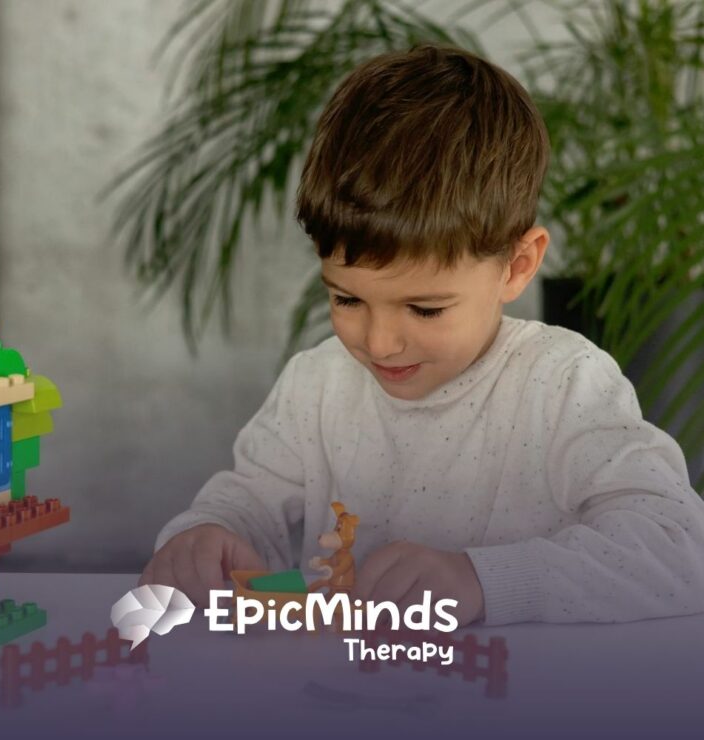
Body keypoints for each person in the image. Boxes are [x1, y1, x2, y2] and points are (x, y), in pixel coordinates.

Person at [139, 44, 704, 626]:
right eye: (346, 299)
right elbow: (245, 505)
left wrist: (484, 579)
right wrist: (204, 535)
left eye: (426, 309)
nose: (379, 344)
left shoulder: (563, 383)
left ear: (516, 266)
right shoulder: (317, 385)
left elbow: (681, 549)